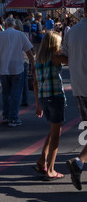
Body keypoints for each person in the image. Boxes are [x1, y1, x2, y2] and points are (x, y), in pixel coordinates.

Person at [33, 31, 66, 181]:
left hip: (44, 98)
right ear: (54, 44)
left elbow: (34, 83)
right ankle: (51, 169)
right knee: (56, 135)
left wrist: (38, 104)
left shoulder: (38, 59)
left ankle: (42, 159)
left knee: (53, 129)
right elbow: (74, 58)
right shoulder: (56, 58)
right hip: (55, 97)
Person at [0, 16, 35, 127]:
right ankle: (13, 117)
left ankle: (6, 115)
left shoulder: (0, 35)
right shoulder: (20, 35)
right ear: (14, 25)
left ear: (5, 25)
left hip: (4, 68)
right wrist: (33, 64)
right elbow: (29, 52)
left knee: (6, 93)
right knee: (15, 93)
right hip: (17, 67)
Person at [62, 0, 87, 190]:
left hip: (79, 87)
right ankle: (78, 162)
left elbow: (64, 57)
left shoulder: (73, 31)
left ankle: (79, 162)